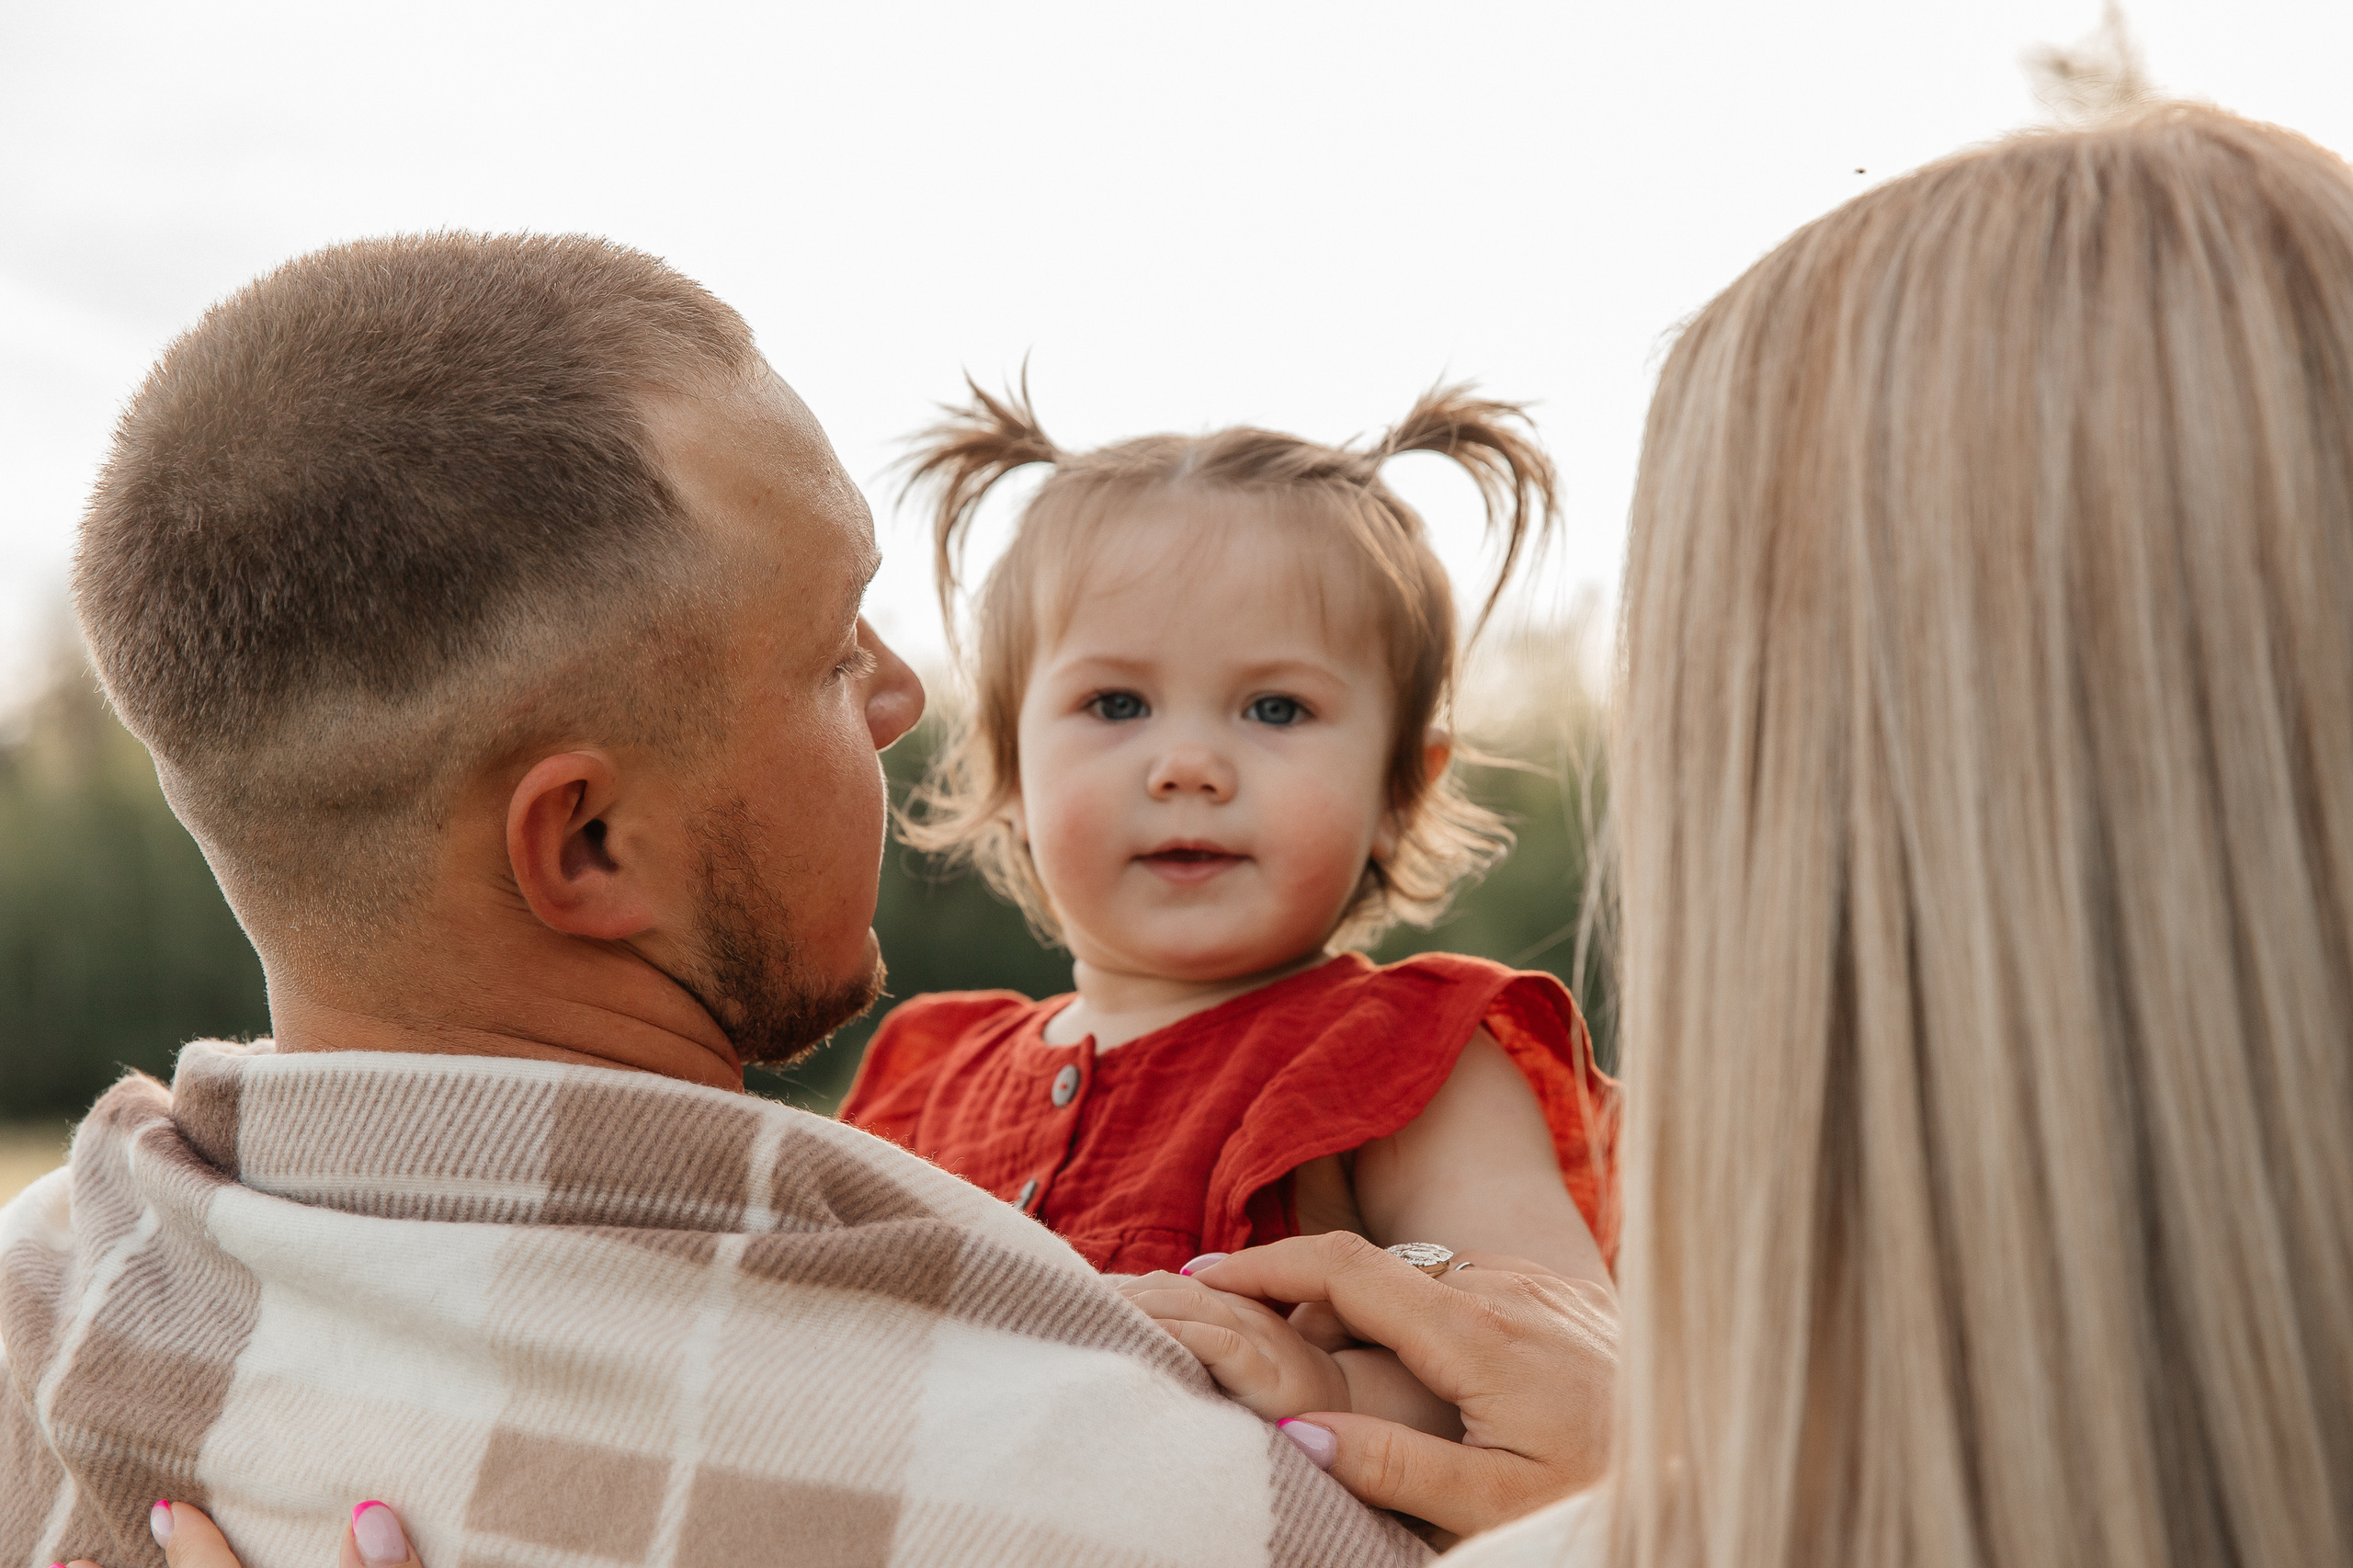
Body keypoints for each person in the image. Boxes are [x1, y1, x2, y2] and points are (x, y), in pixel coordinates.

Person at [0, 234, 1432, 1568]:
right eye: (828, 652)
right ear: (592, 843)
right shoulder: (1123, 1487)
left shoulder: (39, 1304)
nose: (902, 694)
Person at [837, 385, 1619, 1437]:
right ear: (1012, 769)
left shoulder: (1411, 1063)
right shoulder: (921, 1077)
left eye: (1275, 708)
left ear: (1402, 789)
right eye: (1116, 704)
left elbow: (1561, 1369)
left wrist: (1341, 1390)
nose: (1189, 765)